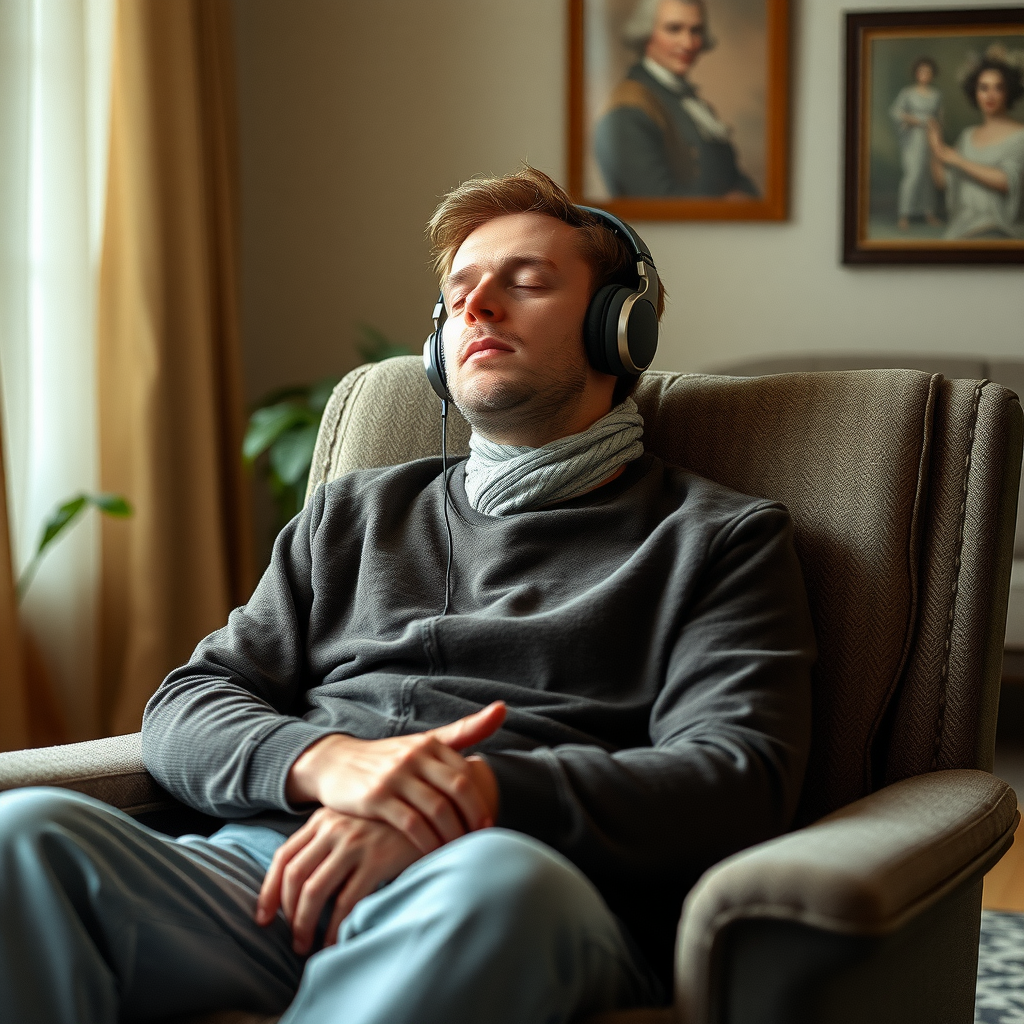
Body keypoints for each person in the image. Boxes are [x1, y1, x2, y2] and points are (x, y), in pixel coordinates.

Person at [0, 167, 815, 1024]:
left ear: (622, 328)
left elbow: (736, 776)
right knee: (21, 839)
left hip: (504, 884)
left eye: (526, 282)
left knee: (497, 882)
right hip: (274, 874)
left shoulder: (718, 539)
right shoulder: (355, 512)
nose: (478, 307)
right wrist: (329, 764)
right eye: (460, 291)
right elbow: (188, 703)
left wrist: (466, 798)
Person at [593, 0, 758, 198]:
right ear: (646, 34)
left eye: (695, 31)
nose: (687, 43)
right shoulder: (630, 109)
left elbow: (733, 176)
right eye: (674, 29)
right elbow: (657, 202)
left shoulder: (692, 103)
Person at [928, 48, 1024, 240]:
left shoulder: (1020, 136)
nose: (990, 95)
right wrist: (934, 144)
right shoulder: (967, 136)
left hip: (1000, 230)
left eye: (999, 88)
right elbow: (944, 182)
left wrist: (958, 160)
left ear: (1009, 92)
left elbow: (1008, 182)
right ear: (975, 92)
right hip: (962, 230)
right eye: (983, 87)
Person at [889, 57, 944, 231]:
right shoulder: (907, 92)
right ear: (916, 73)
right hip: (913, 137)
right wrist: (911, 119)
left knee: (928, 175)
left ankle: (929, 213)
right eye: (921, 71)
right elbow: (895, 111)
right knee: (913, 173)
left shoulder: (937, 95)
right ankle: (904, 215)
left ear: (932, 74)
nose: (924, 75)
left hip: (931, 137)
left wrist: (936, 129)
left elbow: (940, 118)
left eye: (928, 72)